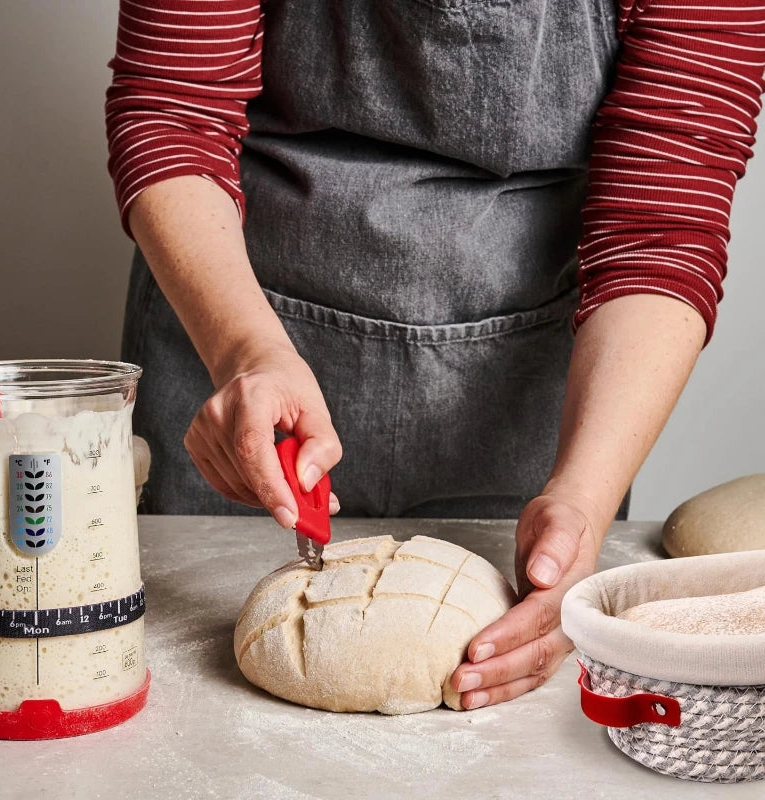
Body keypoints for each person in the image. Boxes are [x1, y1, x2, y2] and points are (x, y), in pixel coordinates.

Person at [105, 1, 765, 709]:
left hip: (521, 398)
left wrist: (582, 499)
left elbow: (660, 226)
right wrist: (244, 350)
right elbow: (174, 111)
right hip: (238, 342)